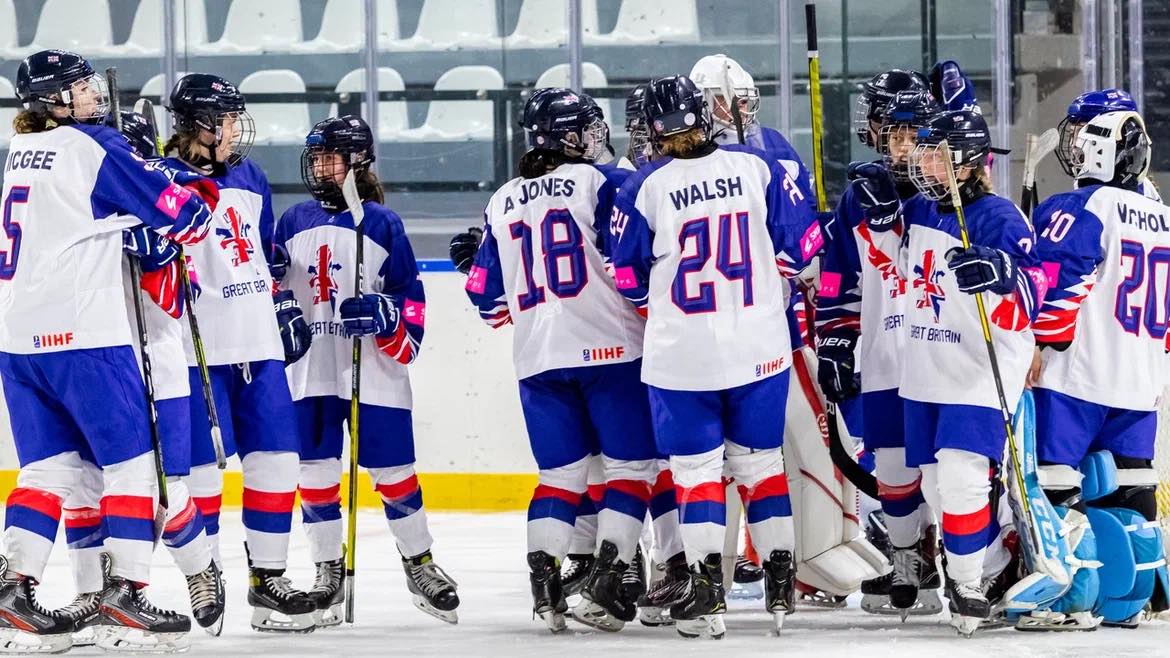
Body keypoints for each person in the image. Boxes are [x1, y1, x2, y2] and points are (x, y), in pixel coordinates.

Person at [0, 49, 216, 654]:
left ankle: (12, 588)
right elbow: (186, 219)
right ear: (56, 100)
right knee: (130, 466)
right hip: (84, 338)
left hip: (18, 339)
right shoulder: (90, 147)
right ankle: (124, 594)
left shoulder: (20, 149)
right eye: (81, 86)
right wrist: (179, 192)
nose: (94, 93)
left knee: (53, 469)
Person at [610, 74, 821, 639]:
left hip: (681, 357)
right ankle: (779, 577)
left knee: (697, 473)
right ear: (705, 115)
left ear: (653, 130)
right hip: (759, 350)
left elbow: (627, 278)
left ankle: (706, 588)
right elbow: (802, 248)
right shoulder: (758, 167)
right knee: (761, 466)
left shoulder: (644, 187)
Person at [460, 87, 657, 633]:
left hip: (537, 359)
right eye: (588, 130)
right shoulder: (603, 181)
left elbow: (488, 302)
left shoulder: (500, 200)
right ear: (569, 137)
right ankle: (608, 577)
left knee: (558, 476)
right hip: (610, 349)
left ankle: (545, 589)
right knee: (632, 469)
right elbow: (635, 265)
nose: (597, 138)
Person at [861, 109, 1045, 635]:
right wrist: (880, 228)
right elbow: (897, 271)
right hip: (924, 368)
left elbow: (1034, 294)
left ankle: (963, 588)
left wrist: (1003, 275)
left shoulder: (1000, 216)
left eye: (936, 154)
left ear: (967, 162)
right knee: (938, 488)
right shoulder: (919, 209)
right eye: (924, 152)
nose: (924, 163)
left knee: (963, 481)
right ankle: (991, 568)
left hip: (978, 372)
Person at [274, 115, 459, 626]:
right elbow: (269, 283)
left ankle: (419, 563)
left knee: (395, 473)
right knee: (313, 474)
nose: (320, 167)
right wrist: (278, 304)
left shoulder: (382, 223)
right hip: (311, 369)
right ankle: (327, 570)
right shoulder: (291, 221)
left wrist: (386, 315)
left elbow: (413, 305)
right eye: (315, 158)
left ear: (358, 162)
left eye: (330, 157)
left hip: (371, 371)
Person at [55, 110, 226, 644]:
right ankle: (92, 594)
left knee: (165, 492)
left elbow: (183, 299)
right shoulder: (74, 207)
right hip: (93, 367)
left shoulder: (164, 204)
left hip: (161, 373)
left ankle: (200, 568)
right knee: (85, 485)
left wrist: (155, 257)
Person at [162, 73, 317, 633]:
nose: (235, 131)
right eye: (227, 121)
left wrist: (280, 302)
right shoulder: (160, 178)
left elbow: (263, 251)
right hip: (195, 349)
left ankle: (267, 581)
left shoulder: (250, 176)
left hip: (258, 344)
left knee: (277, 461)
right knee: (203, 471)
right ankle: (207, 573)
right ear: (201, 125)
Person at [1028, 109, 1168, 630]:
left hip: (1077, 380)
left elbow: (1060, 287)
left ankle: (1067, 598)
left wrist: (1041, 340)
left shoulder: (1084, 205)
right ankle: (1131, 600)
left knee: (1054, 486)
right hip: (1141, 382)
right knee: (1130, 489)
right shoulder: (1164, 215)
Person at [816, 88, 943, 618]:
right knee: (890, 464)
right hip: (886, 352)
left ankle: (971, 563)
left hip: (942, 352)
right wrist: (836, 336)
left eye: (913, 133)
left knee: (946, 467)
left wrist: (898, 218)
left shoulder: (945, 191)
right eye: (894, 133)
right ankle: (911, 558)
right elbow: (837, 273)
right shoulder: (858, 195)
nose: (903, 145)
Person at [1054, 89, 1161, 202]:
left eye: (1081, 133)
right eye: (1071, 135)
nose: (1073, 144)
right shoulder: (1084, 182)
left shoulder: (1144, 192)